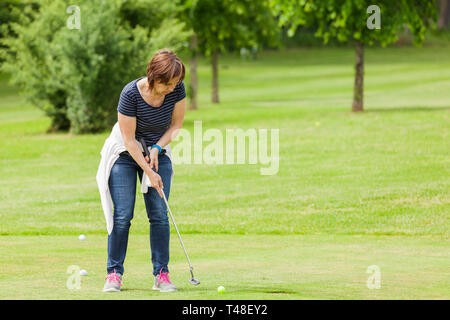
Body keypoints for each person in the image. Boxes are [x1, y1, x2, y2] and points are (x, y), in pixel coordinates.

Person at [102, 48, 186, 293]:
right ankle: (114, 274)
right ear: (154, 77)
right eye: (167, 83)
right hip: (125, 155)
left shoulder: (177, 89)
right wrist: (149, 171)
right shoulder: (130, 94)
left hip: (157, 150)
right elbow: (129, 141)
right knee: (123, 215)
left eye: (176, 83)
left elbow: (176, 125)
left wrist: (158, 148)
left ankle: (162, 274)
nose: (172, 88)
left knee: (159, 213)